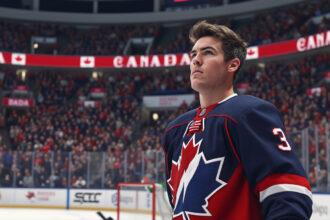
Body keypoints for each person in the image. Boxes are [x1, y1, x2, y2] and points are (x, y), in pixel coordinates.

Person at [162, 20, 312, 220]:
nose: (196, 60)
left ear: (233, 64)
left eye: (208, 52)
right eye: (194, 54)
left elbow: (289, 192)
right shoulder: (175, 129)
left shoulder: (248, 113)